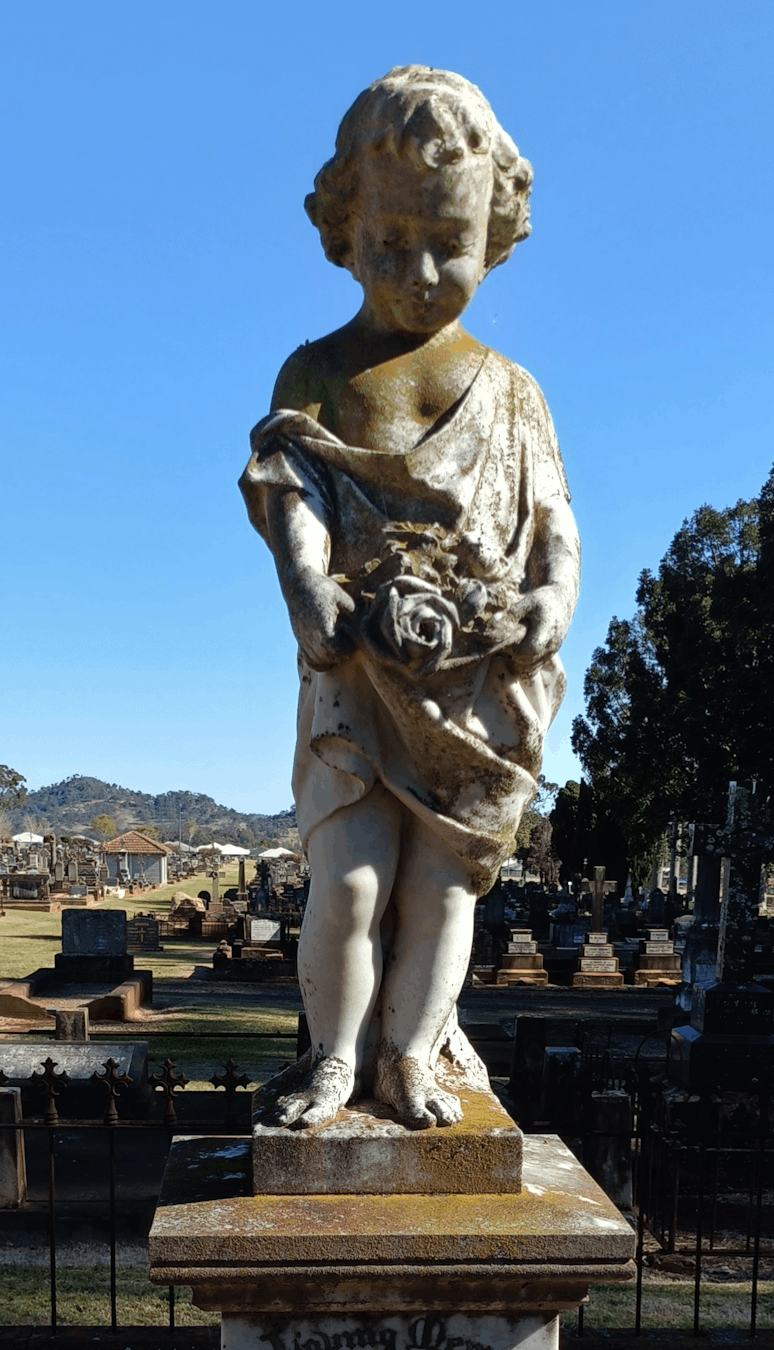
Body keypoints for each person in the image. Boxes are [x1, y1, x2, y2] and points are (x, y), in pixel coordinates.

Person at [240, 67, 579, 1129]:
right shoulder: (318, 370)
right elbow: (289, 488)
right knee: (348, 883)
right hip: (353, 664)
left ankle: (413, 1056)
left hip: (475, 680)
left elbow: (554, 522)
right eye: (392, 244)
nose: (423, 272)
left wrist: (548, 606)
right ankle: (333, 1059)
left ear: (499, 232)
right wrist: (307, 587)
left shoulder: (514, 390)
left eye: (452, 245)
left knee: (442, 887)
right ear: (344, 230)